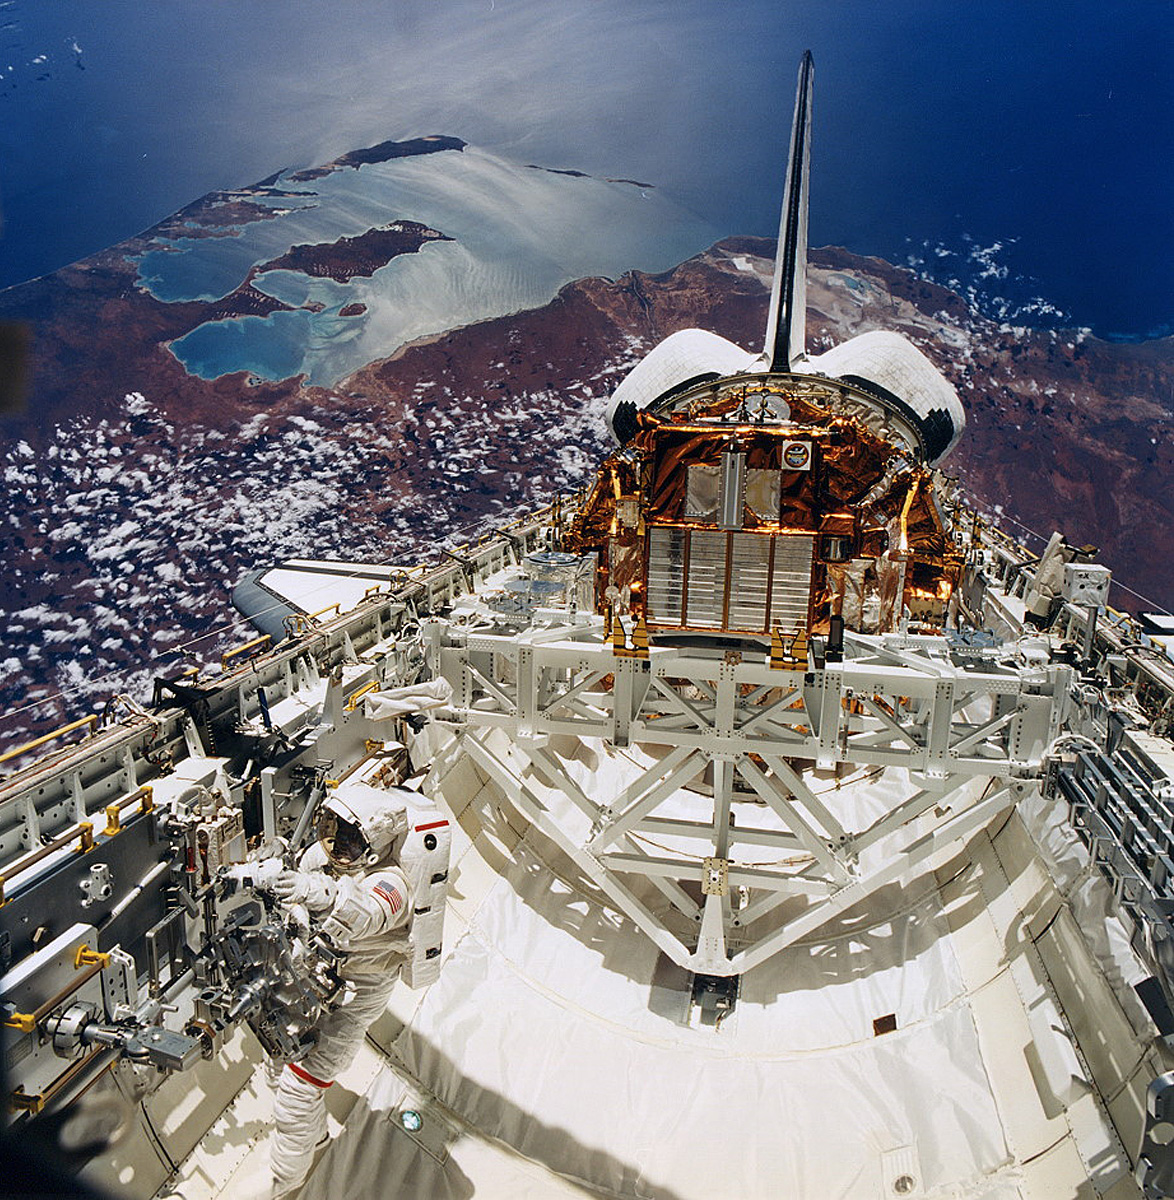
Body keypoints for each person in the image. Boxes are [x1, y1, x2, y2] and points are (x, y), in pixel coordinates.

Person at [254, 787, 414, 1199]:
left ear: (374, 846)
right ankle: (318, 1141)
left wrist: (313, 892)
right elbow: (299, 907)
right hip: (315, 976)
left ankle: (284, 1185)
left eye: (349, 840)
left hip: (358, 995)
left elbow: (365, 914)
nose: (337, 847)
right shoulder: (319, 861)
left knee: (298, 1088)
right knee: (281, 1063)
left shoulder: (392, 883)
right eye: (332, 833)